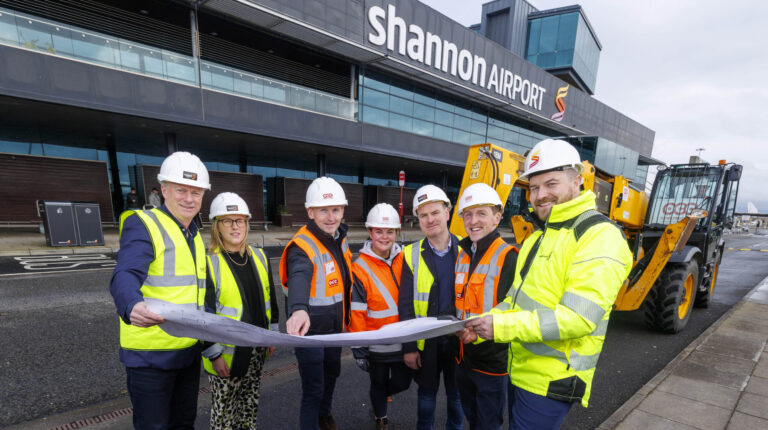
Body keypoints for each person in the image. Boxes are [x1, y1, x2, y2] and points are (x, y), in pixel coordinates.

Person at [463, 139, 633, 429]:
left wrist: (500, 328)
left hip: (553, 379)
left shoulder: (599, 236)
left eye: (551, 184)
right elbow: (514, 301)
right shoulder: (537, 238)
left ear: (577, 181)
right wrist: (480, 326)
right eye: (534, 187)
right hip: (521, 370)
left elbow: (578, 317)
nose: (540, 195)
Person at [109, 151, 210, 429]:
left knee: (184, 423)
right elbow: (125, 272)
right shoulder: (144, 223)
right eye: (181, 190)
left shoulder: (193, 234)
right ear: (164, 190)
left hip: (187, 351)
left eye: (196, 192)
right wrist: (131, 304)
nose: (189, 199)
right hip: (150, 356)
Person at [279, 176, 354, 430]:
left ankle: (325, 414)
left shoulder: (339, 238)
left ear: (342, 211)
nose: (331, 217)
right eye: (323, 210)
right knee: (313, 389)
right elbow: (299, 275)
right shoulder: (302, 246)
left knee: (332, 374)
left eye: (336, 210)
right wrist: (299, 309)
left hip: (334, 331)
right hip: (309, 333)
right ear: (310, 212)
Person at [201, 192, 279, 430]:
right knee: (224, 416)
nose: (235, 226)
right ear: (217, 226)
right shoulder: (209, 262)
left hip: (256, 348)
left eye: (240, 220)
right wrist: (213, 354)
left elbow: (271, 299)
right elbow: (203, 314)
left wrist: (273, 335)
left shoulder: (260, 256)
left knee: (248, 407)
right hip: (226, 356)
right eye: (228, 221)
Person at [398, 184, 464, 430]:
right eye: (423, 215)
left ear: (447, 212)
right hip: (427, 342)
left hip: (458, 339)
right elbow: (405, 305)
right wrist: (409, 347)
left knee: (457, 397)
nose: (430, 219)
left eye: (435, 212)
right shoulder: (410, 254)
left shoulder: (467, 249)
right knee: (426, 397)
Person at [453, 183, 518, 430]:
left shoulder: (508, 256)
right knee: (472, 418)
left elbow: (512, 310)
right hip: (463, 357)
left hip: (492, 362)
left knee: (488, 424)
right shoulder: (463, 254)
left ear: (497, 217)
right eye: (468, 214)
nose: (473, 221)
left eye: (481, 213)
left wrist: (476, 334)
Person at [349, 203, 412, 430]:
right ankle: (380, 417)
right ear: (370, 232)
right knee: (378, 382)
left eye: (389, 231)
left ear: (396, 232)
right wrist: (359, 348)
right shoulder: (359, 268)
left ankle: (379, 399)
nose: (384, 237)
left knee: (403, 382)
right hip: (376, 343)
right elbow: (356, 311)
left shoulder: (405, 258)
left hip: (403, 340)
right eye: (379, 231)